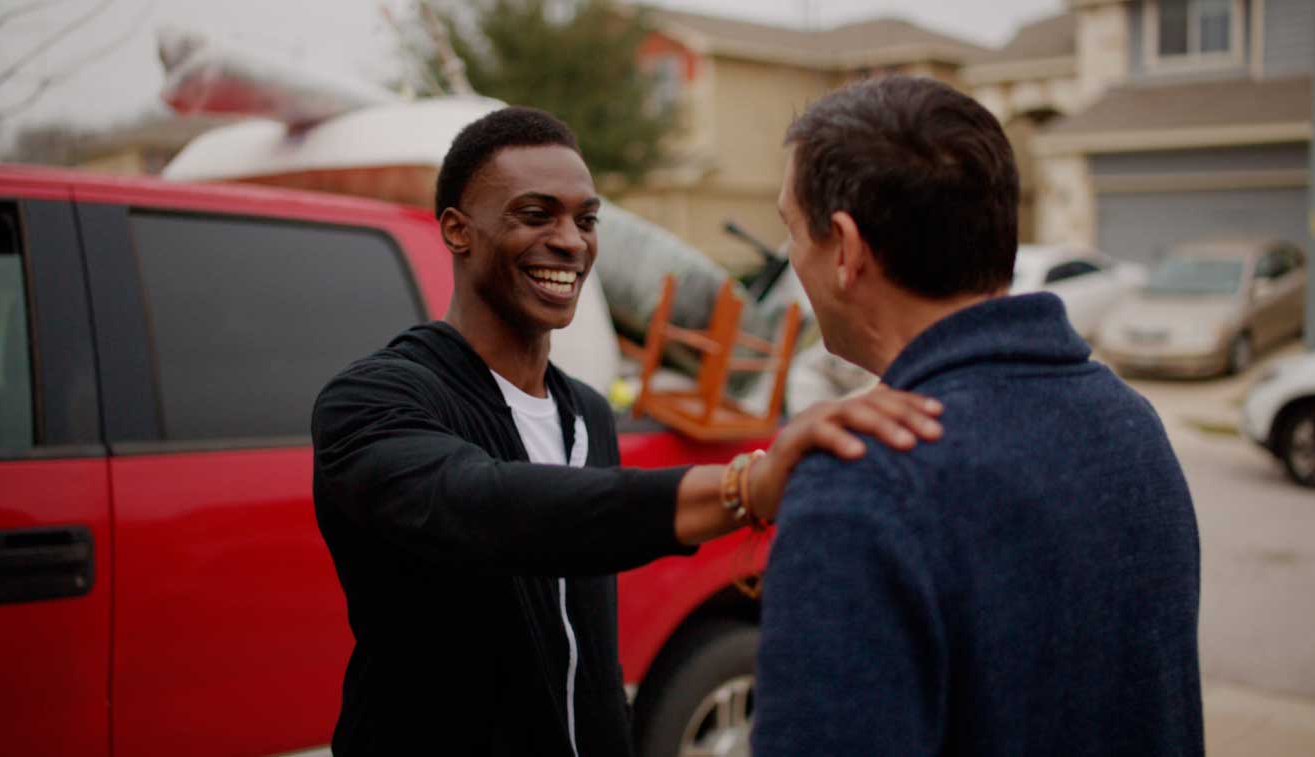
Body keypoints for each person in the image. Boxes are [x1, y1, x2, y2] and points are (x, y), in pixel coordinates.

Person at [310, 106, 944, 756]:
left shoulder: (586, 414)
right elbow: (487, 505)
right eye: (536, 214)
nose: (571, 241)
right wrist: (746, 486)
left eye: (586, 220)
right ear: (457, 230)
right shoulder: (372, 401)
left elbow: (590, 649)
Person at [753, 76, 1202, 755]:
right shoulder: (1131, 424)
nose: (793, 257)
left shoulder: (861, 485)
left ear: (844, 248)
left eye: (790, 229)